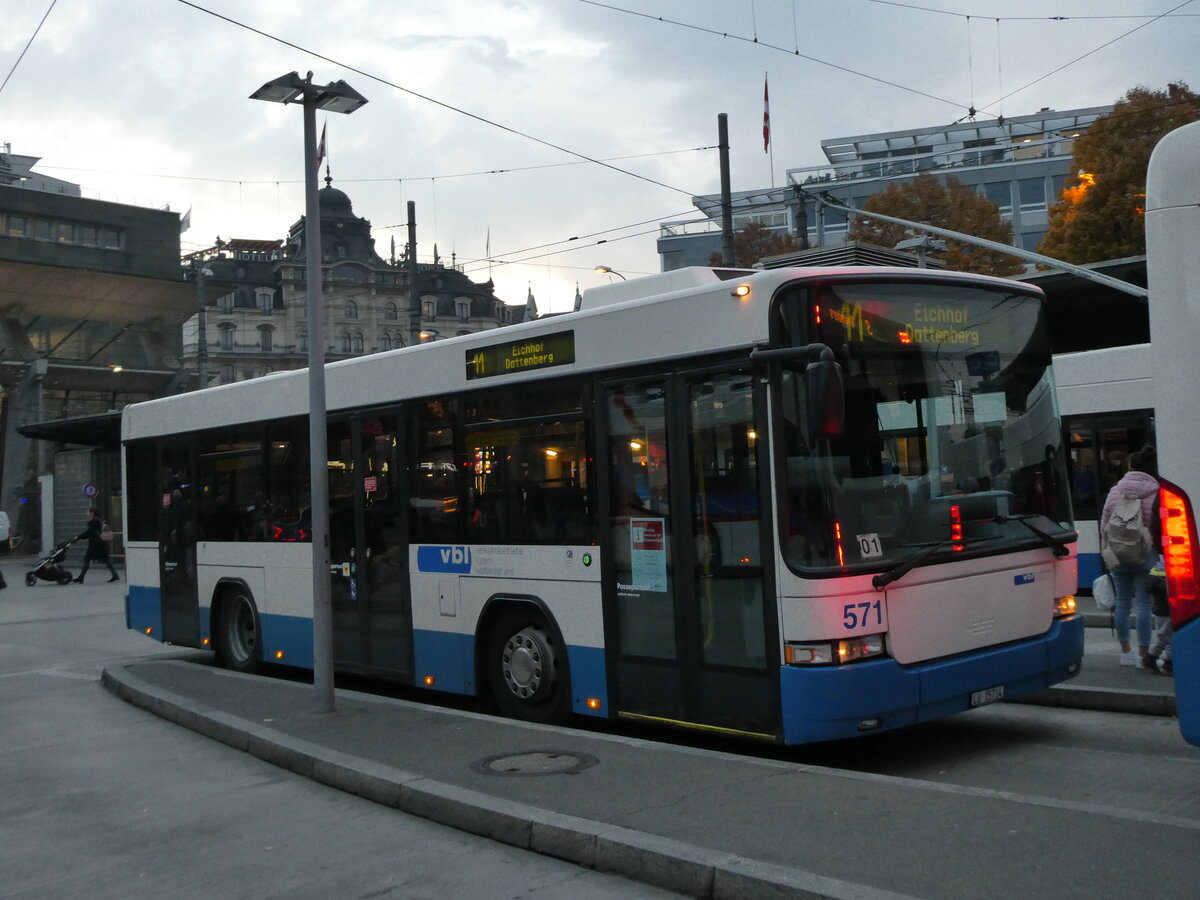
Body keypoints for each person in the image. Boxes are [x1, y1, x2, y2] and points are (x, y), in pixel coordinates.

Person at [1099, 445, 1159, 667]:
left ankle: (1126, 652)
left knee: (1122, 603)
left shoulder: (1116, 490)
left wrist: (1107, 552)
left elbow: (1105, 523)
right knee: (1144, 604)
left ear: (1131, 467)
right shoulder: (1155, 491)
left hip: (1118, 554)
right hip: (1145, 554)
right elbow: (1157, 524)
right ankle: (1144, 654)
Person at [74, 507, 119, 584]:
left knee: (87, 558)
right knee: (106, 559)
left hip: (95, 544)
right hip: (101, 544)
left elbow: (90, 532)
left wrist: (79, 537)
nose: (86, 513)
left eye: (87, 512)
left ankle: (81, 577)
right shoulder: (98, 520)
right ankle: (115, 575)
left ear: (92, 513)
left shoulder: (94, 521)